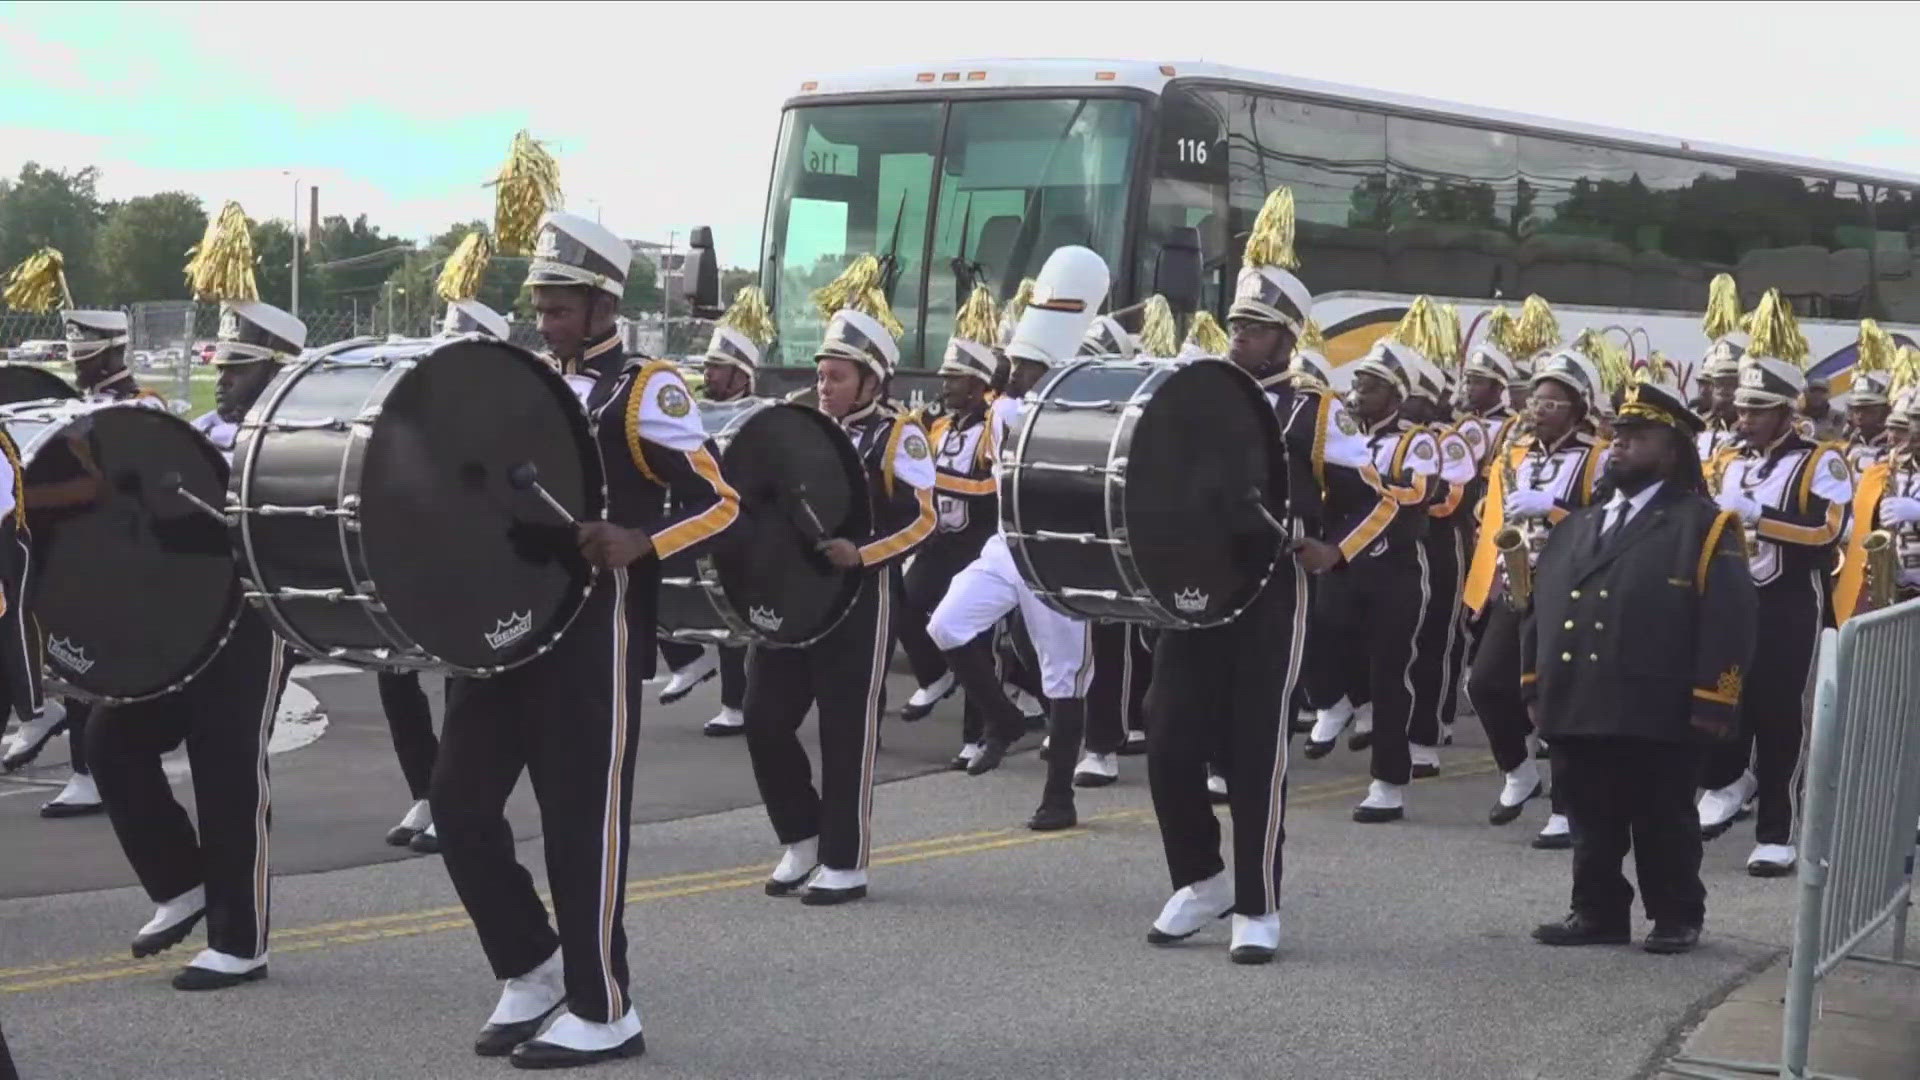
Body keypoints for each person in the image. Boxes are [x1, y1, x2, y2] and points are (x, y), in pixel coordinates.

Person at [431, 210, 740, 1066]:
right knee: (457, 805)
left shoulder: (650, 390)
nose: (546, 319)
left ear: (605, 305)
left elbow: (722, 501)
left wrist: (644, 543)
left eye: (561, 306)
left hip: (594, 636)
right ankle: (531, 966)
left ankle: (606, 1009)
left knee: (580, 824)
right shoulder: (525, 380)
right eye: (540, 304)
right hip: (505, 628)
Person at [86, 268, 303, 990]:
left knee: (228, 771)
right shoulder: (202, 430)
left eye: (241, 371)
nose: (227, 383)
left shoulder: (298, 440)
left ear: (276, 375)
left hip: (254, 618)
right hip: (185, 617)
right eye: (226, 368)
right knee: (112, 738)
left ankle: (242, 944)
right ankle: (182, 883)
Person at [1523, 359, 1757, 954]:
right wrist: (1535, 682)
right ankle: (1597, 910)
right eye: (1616, 436)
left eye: (1637, 438)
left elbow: (1729, 619)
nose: (1619, 447)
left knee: (1662, 818)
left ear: (1673, 450)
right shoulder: (1579, 523)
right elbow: (1543, 604)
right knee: (1589, 816)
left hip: (1659, 701)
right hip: (1579, 696)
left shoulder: (1703, 526)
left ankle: (1676, 913)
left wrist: (1714, 700)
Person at [1144, 188, 1322, 963]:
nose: (1240, 338)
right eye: (1239, 325)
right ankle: (1202, 878)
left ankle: (1258, 904)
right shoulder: (1202, 399)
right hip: (1194, 592)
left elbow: (1375, 498)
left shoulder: (1316, 412)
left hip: (1268, 594)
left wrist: (1330, 544)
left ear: (1287, 339)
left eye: (1256, 329)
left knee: (1255, 753)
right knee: (1168, 737)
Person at [746, 256, 934, 905]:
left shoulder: (899, 436)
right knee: (763, 717)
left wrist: (865, 552)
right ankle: (799, 836)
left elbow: (926, 520)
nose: (824, 386)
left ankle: (845, 861)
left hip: (860, 604)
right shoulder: (801, 425)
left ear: (872, 378)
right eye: (820, 374)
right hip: (795, 602)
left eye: (837, 376)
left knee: (845, 732)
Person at [923, 249, 1101, 827]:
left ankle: (1059, 797)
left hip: (1060, 554)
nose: (1013, 373)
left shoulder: (1082, 413)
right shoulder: (1004, 411)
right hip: (1006, 544)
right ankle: (1001, 717)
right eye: (1014, 363)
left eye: (1026, 366)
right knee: (946, 623)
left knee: (1062, 675)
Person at [1696, 290, 1852, 878]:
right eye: (1742, 406)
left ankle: (1777, 830)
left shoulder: (1822, 461)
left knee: (1779, 711)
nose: (1745, 417)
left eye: (1759, 408)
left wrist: (1762, 519)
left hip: (1790, 600)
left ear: (1790, 412)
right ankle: (1727, 780)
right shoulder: (1729, 458)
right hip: (1735, 597)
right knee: (1723, 694)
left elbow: (1828, 536)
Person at [381, 260, 519, 855]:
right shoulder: (422, 410)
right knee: (395, 673)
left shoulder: (506, 413)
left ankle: (456, 798)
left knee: (466, 689)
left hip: (484, 570)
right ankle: (425, 790)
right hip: (426, 560)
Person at [1463, 332, 1612, 850]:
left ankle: (1567, 808)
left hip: (1572, 589)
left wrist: (1552, 508)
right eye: (1535, 400)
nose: (1538, 409)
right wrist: (1493, 510)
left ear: (1577, 409)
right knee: (1484, 685)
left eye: (1552, 402)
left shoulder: (1599, 459)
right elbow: (1497, 508)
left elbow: (1608, 526)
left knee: (1556, 701)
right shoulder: (1516, 451)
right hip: (1517, 582)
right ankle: (1519, 772)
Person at [1301, 300, 1441, 822]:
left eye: (1373, 386)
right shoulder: (1344, 434)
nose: (1360, 393)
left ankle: (1388, 781)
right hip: (1344, 565)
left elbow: (1416, 495)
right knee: (1319, 633)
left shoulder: (1417, 440)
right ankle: (1335, 702)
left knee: (1390, 674)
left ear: (1397, 397)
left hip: (1396, 569)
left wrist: (1371, 487)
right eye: (1358, 383)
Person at [897, 288, 1009, 756]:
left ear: (979, 383)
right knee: (903, 605)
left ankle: (977, 735)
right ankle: (934, 674)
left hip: (977, 546)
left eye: (955, 379)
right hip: (938, 544)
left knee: (974, 637)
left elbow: (993, 491)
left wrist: (939, 481)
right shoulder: (940, 427)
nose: (945, 387)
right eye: (944, 378)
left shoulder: (991, 428)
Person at [690, 286, 771, 737]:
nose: (708, 375)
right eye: (707, 366)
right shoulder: (695, 411)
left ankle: (740, 703)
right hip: (705, 520)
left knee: (740, 612)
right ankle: (731, 699)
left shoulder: (760, 414)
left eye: (717, 368)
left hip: (746, 524)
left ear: (742, 375)